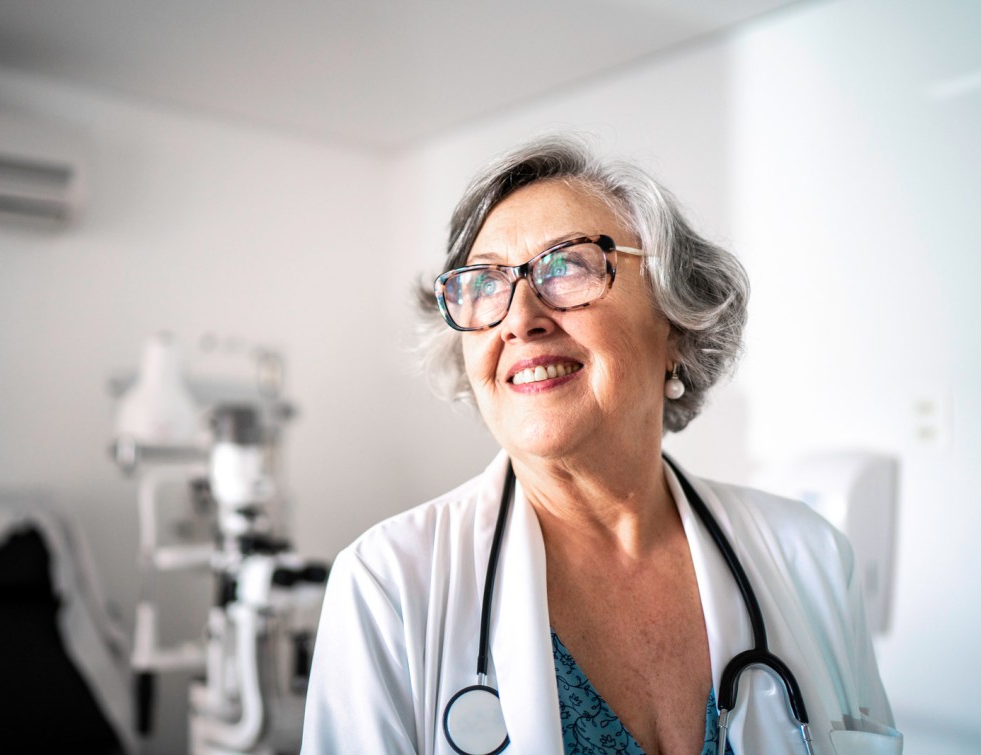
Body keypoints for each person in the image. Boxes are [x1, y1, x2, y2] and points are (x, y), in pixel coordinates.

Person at [302, 135, 900, 755]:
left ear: (675, 324)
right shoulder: (387, 585)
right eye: (484, 284)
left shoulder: (812, 557)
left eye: (566, 267)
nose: (518, 317)